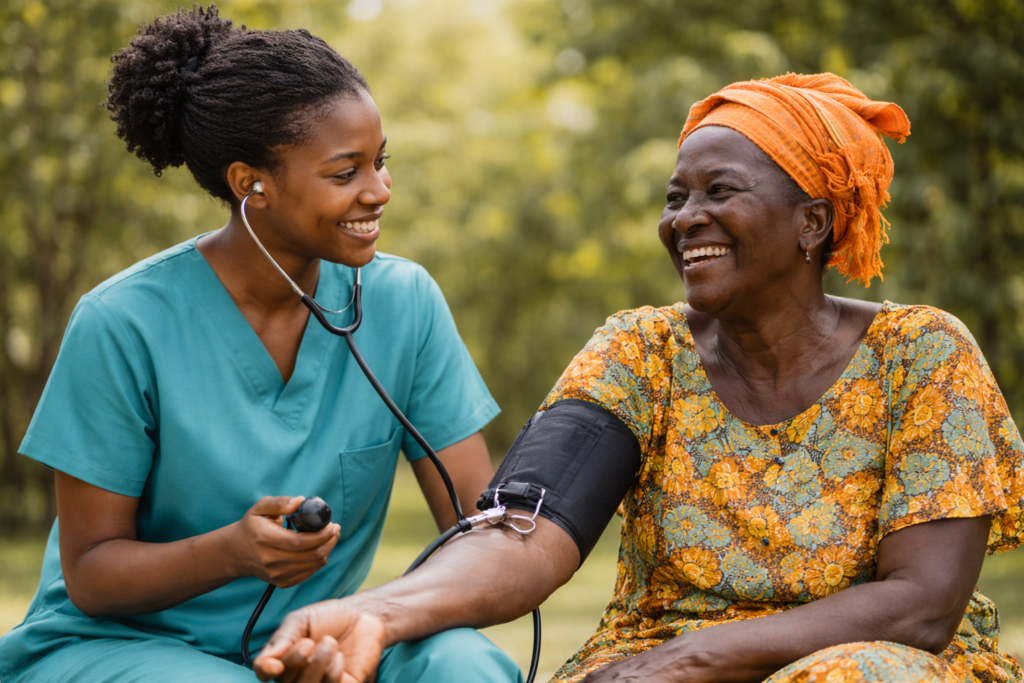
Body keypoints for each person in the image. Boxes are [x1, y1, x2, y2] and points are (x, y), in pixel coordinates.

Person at [252, 74, 1024, 683]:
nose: (685, 218)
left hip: (851, 663)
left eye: (720, 191)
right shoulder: (642, 351)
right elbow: (523, 530)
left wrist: (692, 659)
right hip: (647, 665)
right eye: (676, 197)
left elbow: (921, 605)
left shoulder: (920, 354)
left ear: (811, 222)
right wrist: (378, 611)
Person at [0, 6, 523, 683]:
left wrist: (366, 620)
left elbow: (478, 535)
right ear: (252, 184)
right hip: (118, 645)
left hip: (321, 634)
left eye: (380, 162)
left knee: (463, 665)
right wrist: (233, 552)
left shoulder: (405, 303)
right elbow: (92, 574)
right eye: (345, 173)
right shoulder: (121, 322)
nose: (379, 191)